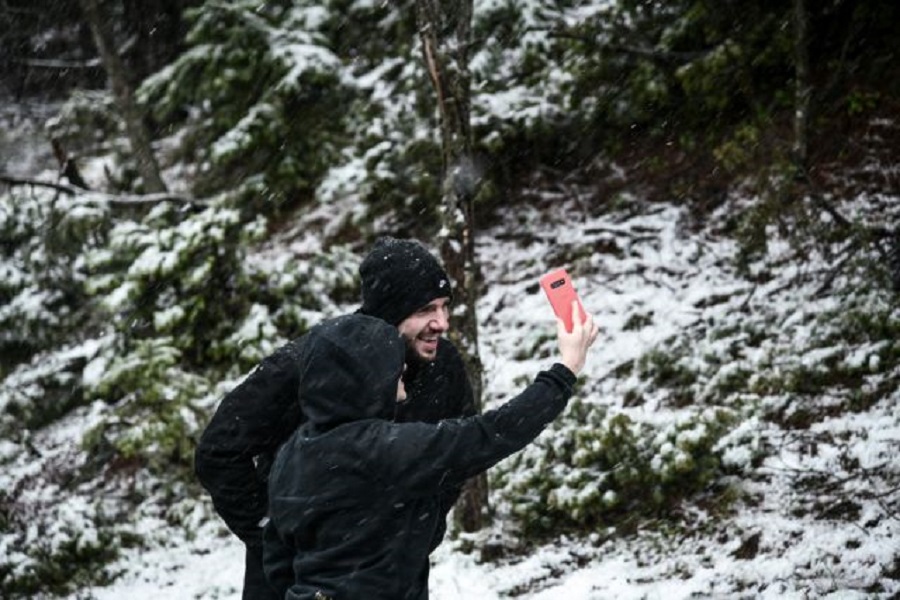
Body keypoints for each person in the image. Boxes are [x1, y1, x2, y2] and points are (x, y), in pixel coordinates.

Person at [194, 238, 475, 600]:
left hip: (397, 579)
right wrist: (277, 532)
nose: (441, 323)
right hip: (298, 583)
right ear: (388, 312)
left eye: (444, 307)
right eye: (424, 310)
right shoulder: (314, 360)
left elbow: (457, 449)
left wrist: (423, 524)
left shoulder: (442, 365)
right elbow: (219, 451)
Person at [263, 306, 597, 600]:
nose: (402, 371)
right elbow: (491, 434)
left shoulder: (295, 450)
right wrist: (564, 370)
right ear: (364, 377)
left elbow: (276, 558)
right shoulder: (380, 449)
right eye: (391, 363)